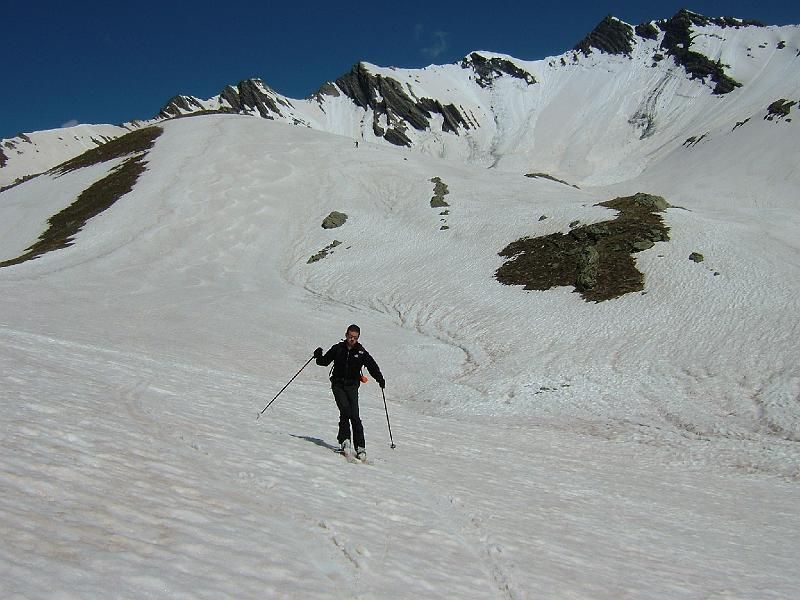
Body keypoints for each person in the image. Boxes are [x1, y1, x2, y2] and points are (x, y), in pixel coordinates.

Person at [314, 324, 384, 461]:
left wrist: (380, 379)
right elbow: (324, 362)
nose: (352, 339)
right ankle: (345, 440)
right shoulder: (338, 349)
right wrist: (318, 356)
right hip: (338, 385)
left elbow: (372, 366)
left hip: (352, 386)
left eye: (355, 337)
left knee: (355, 416)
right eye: (350, 336)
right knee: (345, 411)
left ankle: (360, 447)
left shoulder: (361, 352)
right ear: (346, 335)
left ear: (358, 338)